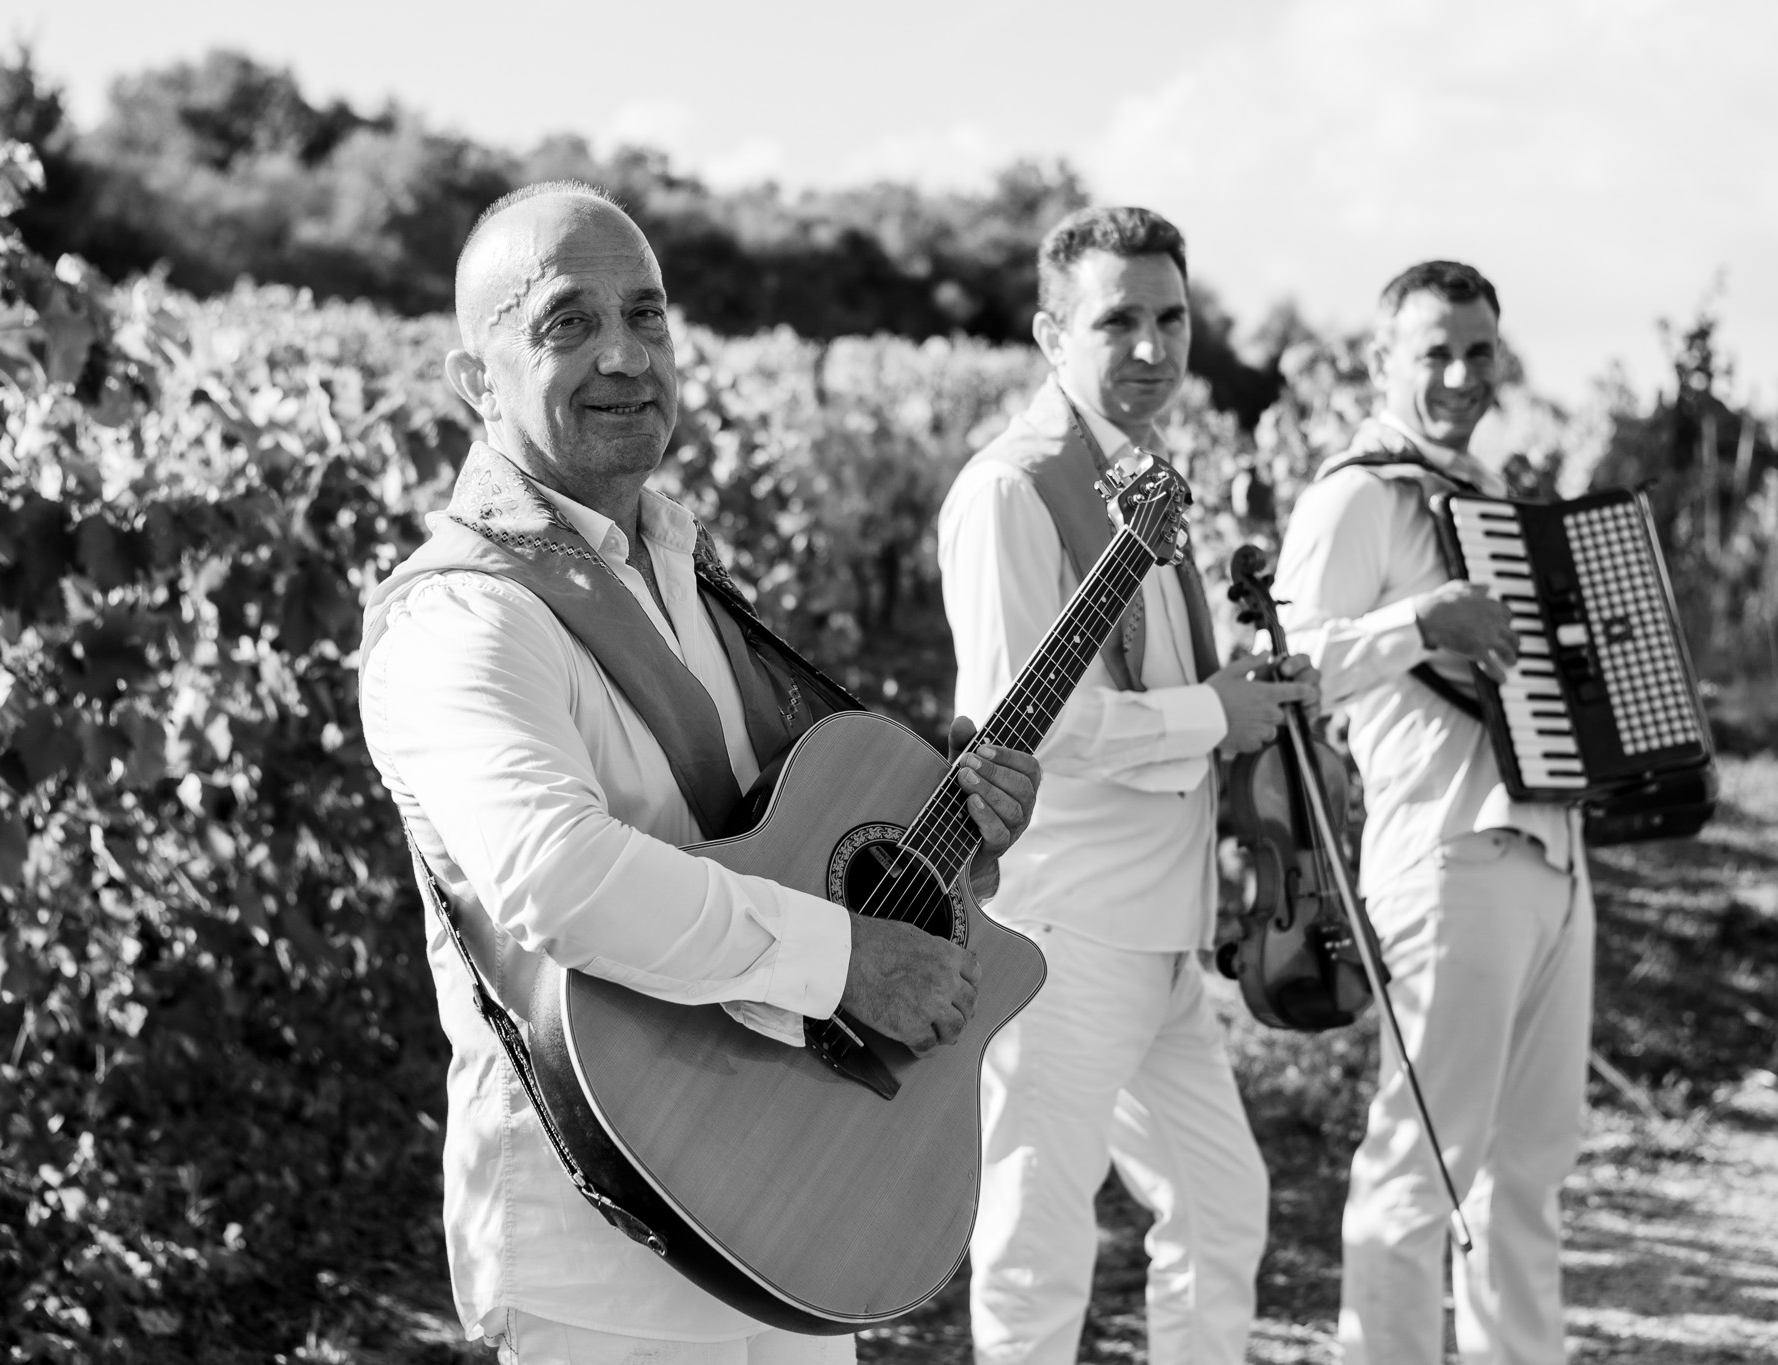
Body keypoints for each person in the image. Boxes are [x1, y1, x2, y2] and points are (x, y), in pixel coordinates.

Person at [358, 182, 1045, 1365]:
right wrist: (843, 964)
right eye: (566, 322)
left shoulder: (679, 565)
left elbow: (764, 837)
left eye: (648, 314)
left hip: (790, 1195)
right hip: (602, 1244)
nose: (625, 354)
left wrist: (940, 844)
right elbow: (555, 877)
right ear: (475, 381)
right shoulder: (463, 615)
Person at [937, 205, 1320, 1365]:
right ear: (1052, 332)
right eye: (1118, 321)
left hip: (1160, 930)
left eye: (1170, 317)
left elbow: (1151, 688)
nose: (1152, 347)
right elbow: (1023, 728)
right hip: (1061, 929)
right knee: (1037, 1246)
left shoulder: (1143, 481)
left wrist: (1238, 685)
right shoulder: (1010, 491)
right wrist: (1216, 712)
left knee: (1220, 1205)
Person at [1269, 259, 1594, 1365]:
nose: (1459, 374)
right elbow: (1282, 668)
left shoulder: (1488, 497)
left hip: (1553, 855)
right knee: (1419, 1171)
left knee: (1528, 1171)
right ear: (1379, 363)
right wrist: (1418, 622)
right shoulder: (1355, 492)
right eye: (1433, 352)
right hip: (1444, 860)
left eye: (1476, 351)